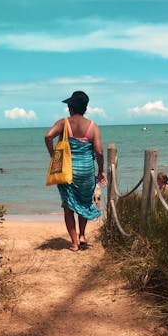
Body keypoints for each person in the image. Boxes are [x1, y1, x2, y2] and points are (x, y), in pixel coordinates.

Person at [45, 91, 106, 251]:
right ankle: (82, 235)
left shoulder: (63, 123)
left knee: (68, 206)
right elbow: (99, 152)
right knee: (84, 202)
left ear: (71, 107)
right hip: (86, 171)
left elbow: (48, 136)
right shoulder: (93, 126)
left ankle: (74, 243)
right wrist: (100, 171)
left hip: (67, 170)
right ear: (85, 108)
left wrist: (53, 156)